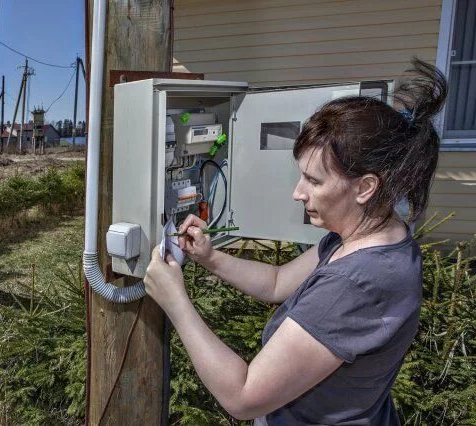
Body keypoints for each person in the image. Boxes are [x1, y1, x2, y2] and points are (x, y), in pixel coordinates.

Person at [144, 58, 447, 425]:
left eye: (314, 180)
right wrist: (211, 257)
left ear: (366, 187)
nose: (298, 193)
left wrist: (175, 302)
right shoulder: (371, 236)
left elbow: (243, 396)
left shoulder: (357, 283)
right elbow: (277, 283)